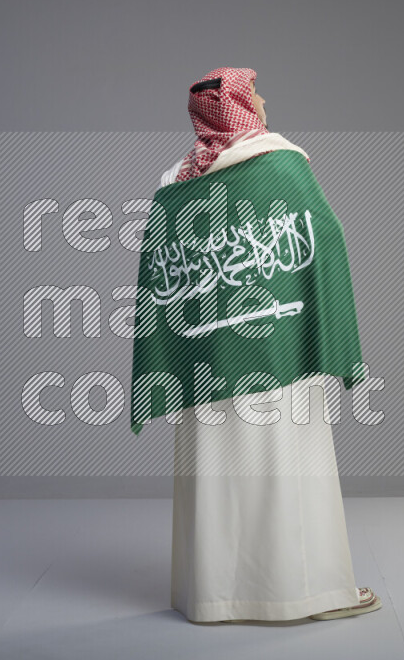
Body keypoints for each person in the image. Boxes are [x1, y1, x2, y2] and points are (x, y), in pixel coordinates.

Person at [149, 67, 382, 623]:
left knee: (216, 474)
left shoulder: (174, 182)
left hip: (203, 360)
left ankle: (213, 597)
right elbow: (324, 240)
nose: (263, 98)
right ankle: (309, 594)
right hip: (278, 353)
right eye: (254, 92)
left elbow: (161, 273)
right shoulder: (282, 164)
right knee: (287, 466)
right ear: (241, 105)